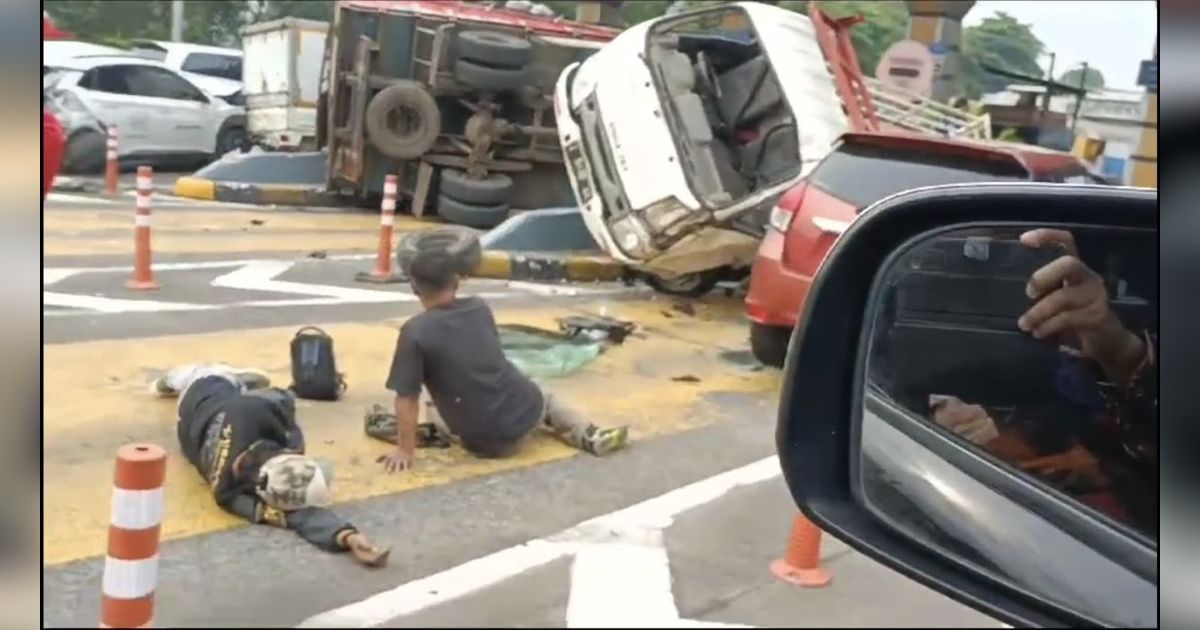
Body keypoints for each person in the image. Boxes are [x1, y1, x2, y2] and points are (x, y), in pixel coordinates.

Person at [931, 228, 1157, 534]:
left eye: (1022, 269)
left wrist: (1118, 350)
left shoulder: (1081, 371)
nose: (998, 293)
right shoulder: (918, 359)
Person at [378, 249, 629, 473]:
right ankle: (587, 433)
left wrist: (404, 451)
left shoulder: (415, 332)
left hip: (485, 443)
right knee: (546, 396)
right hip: (526, 412)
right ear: (456, 281)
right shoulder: (479, 308)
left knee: (433, 406)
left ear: (414, 288)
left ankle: (430, 433)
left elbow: (406, 399)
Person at [153, 363, 390, 566]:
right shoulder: (231, 493)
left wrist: (346, 537)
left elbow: (289, 513)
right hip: (204, 396)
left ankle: (195, 378)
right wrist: (345, 536)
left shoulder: (251, 416)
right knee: (268, 395)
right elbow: (293, 515)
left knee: (242, 389)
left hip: (204, 397)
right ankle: (184, 377)